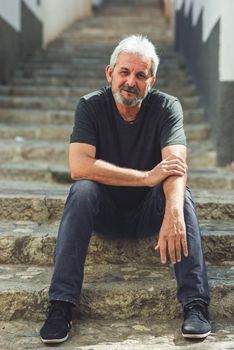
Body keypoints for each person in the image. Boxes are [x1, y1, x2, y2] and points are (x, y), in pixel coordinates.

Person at [40, 35, 211, 344]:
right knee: (81, 191)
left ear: (151, 81)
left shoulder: (167, 107)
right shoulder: (90, 106)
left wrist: (173, 212)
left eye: (140, 75)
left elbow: (175, 166)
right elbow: (79, 166)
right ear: (110, 73)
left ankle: (196, 305)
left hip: (149, 213)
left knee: (180, 198)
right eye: (124, 72)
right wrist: (146, 177)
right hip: (104, 213)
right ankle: (60, 306)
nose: (131, 81)